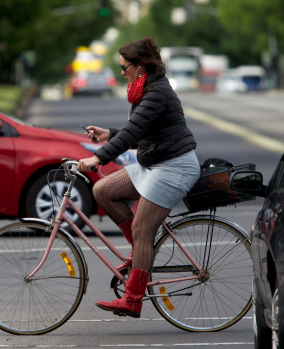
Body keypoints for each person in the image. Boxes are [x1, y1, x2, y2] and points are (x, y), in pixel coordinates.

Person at [77, 37, 200, 318]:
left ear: (141, 66)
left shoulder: (157, 92)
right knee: (103, 191)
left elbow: (135, 132)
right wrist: (110, 133)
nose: (122, 73)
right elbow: (140, 129)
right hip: (156, 162)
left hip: (174, 167)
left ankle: (133, 299)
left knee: (142, 229)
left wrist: (98, 157)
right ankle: (139, 252)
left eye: (124, 67)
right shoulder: (145, 87)